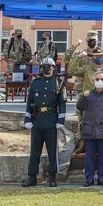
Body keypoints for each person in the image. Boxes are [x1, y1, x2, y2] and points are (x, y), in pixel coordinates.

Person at [22, 57, 66, 187]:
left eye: (49, 66)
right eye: (44, 66)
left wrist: (60, 121)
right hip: (37, 121)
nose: (47, 68)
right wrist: (27, 119)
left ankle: (52, 177)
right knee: (35, 151)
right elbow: (30, 102)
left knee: (52, 151)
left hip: (51, 121)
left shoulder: (59, 83)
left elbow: (62, 104)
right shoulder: (35, 83)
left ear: (53, 68)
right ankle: (32, 177)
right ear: (41, 68)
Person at [72, 46, 103, 154]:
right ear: (92, 58)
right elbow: (72, 70)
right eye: (96, 56)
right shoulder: (86, 69)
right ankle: (84, 148)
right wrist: (78, 57)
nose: (99, 58)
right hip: (90, 104)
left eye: (102, 56)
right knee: (87, 129)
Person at [76, 71, 103, 187]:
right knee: (89, 156)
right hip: (89, 130)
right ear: (93, 81)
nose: (99, 81)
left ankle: (102, 178)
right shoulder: (88, 94)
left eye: (102, 79)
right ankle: (89, 178)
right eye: (97, 79)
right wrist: (84, 96)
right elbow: (80, 107)